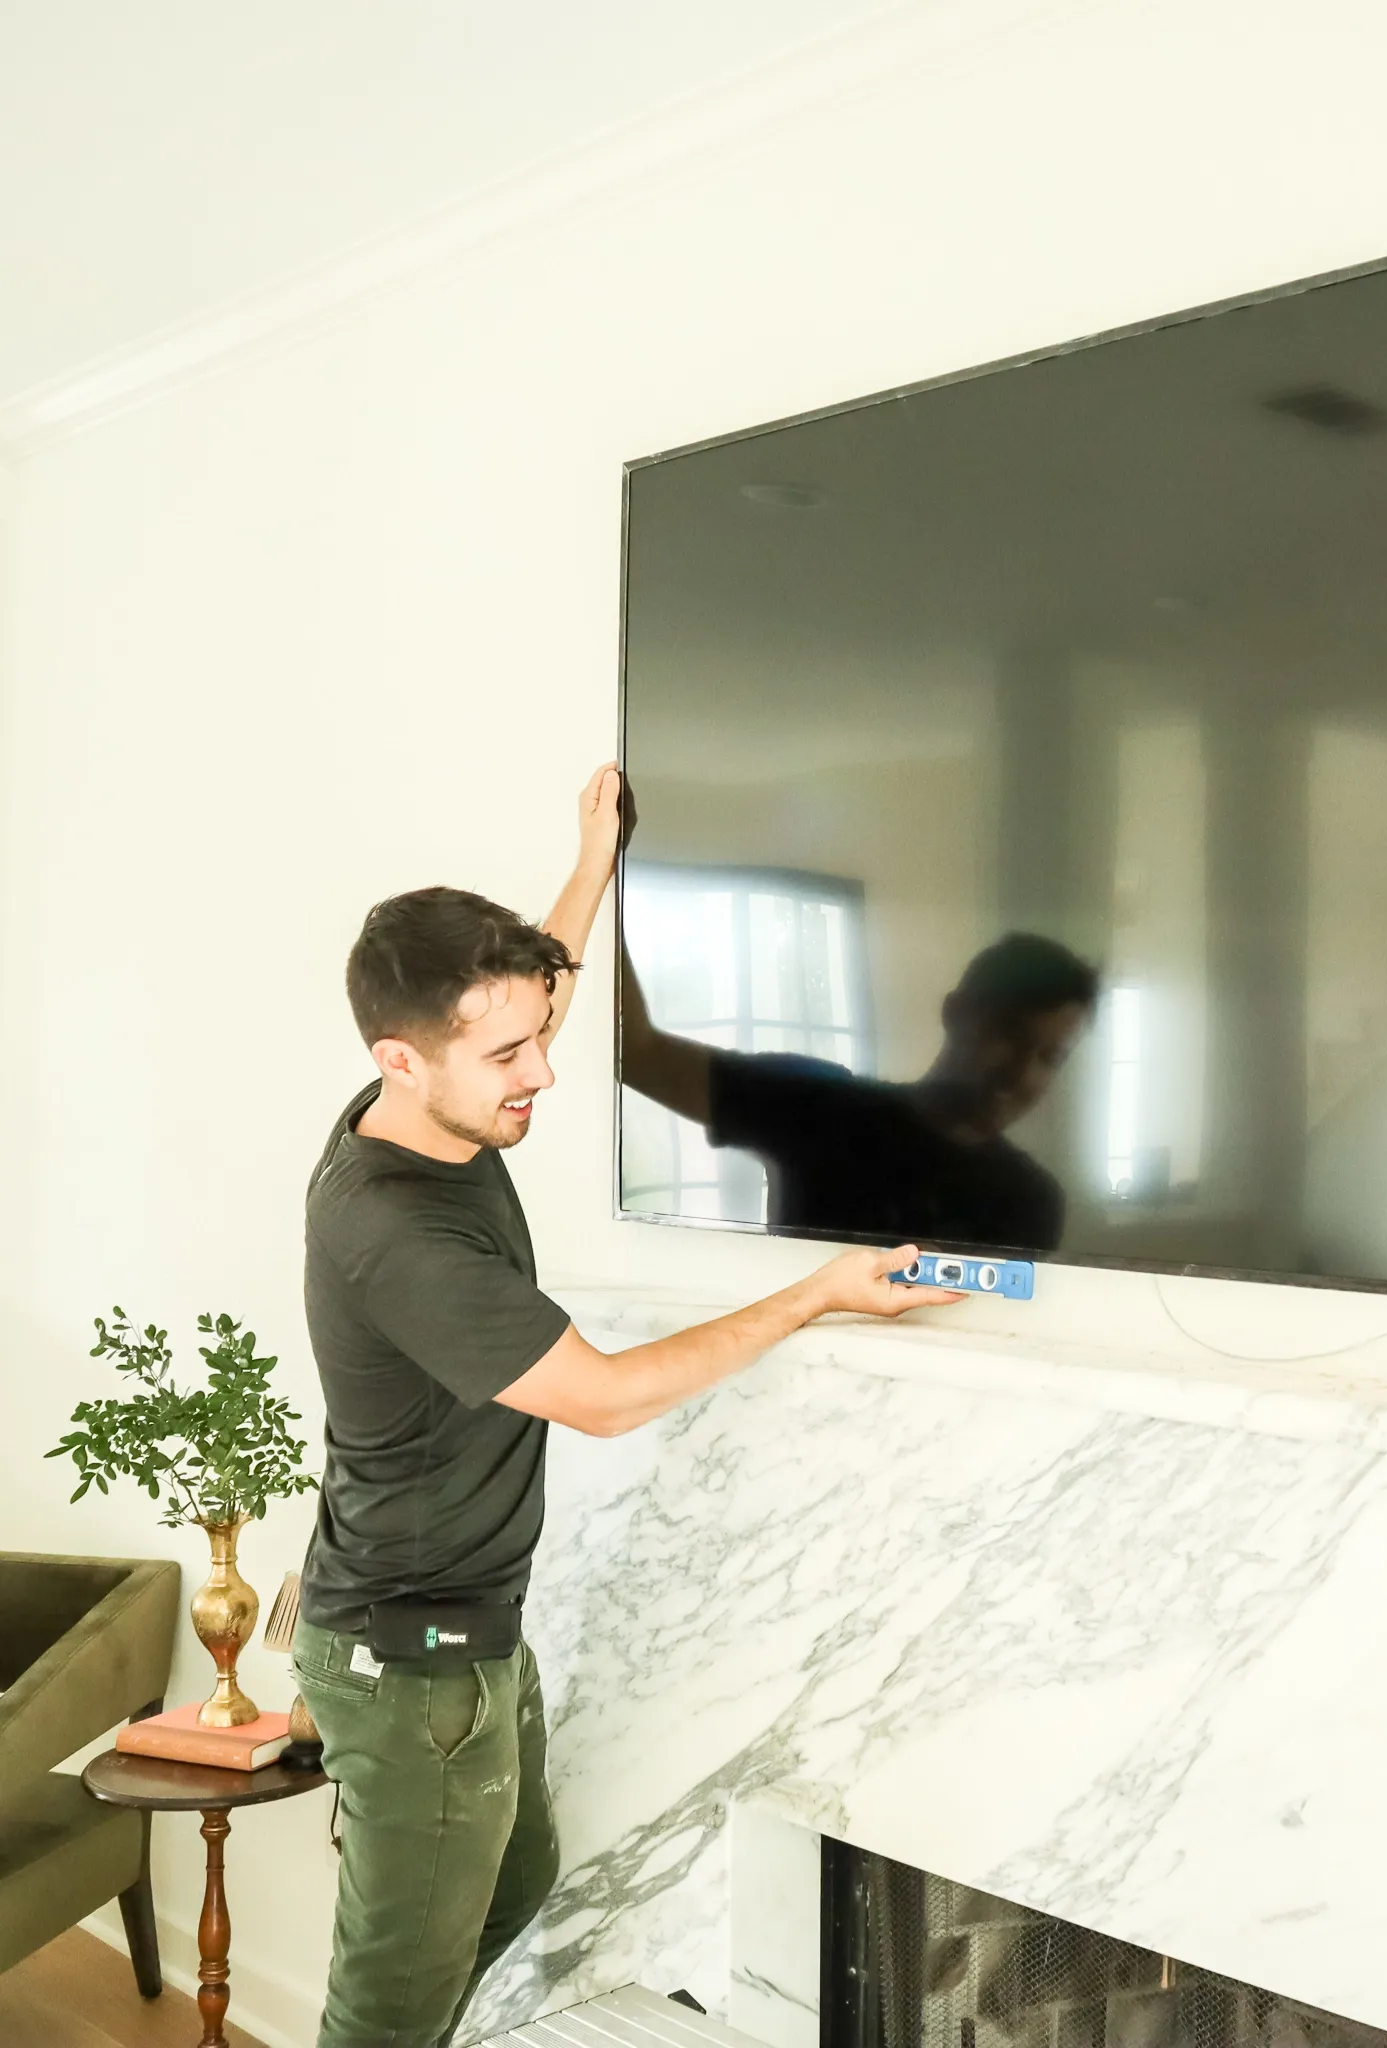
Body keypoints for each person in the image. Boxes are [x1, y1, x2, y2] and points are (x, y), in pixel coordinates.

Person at [292, 764, 950, 2048]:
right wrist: (810, 1294)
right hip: (411, 1664)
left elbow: (521, 998)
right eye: (509, 1054)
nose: (541, 1068)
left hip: (462, 1637)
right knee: (385, 2006)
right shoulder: (397, 1230)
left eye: (539, 1032)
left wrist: (589, 863)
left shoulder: (421, 1102)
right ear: (400, 1057)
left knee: (515, 1885)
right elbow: (598, 1396)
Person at [621, 931, 1099, 1252]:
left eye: (1049, 1057)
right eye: (1008, 1035)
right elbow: (637, 1052)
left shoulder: (1032, 1200)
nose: (1020, 1074)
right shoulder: (820, 1106)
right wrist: (598, 863)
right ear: (957, 1013)